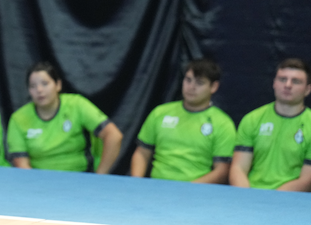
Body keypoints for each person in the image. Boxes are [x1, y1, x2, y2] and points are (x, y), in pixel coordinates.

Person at [130, 58, 236, 183]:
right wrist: (136, 183)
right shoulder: (160, 113)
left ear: (214, 87)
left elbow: (222, 171)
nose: (191, 87)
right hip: (156, 189)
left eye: (199, 83)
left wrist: (188, 189)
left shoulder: (223, 124)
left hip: (196, 193)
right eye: (188, 80)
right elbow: (142, 153)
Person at [6, 62, 123, 173]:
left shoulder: (77, 104)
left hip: (80, 179)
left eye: (45, 84)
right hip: (38, 183)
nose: (39, 90)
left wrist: (100, 177)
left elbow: (114, 136)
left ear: (58, 85)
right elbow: (21, 164)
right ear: (29, 91)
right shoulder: (18, 119)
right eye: (33, 86)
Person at [229, 58, 311, 191]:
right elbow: (238, 168)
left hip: (290, 201)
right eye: (282, 79)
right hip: (250, 195)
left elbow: (307, 180)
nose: (288, 85)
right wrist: (245, 196)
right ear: (274, 83)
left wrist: (272, 201)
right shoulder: (252, 119)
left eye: (296, 81)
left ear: (307, 89)